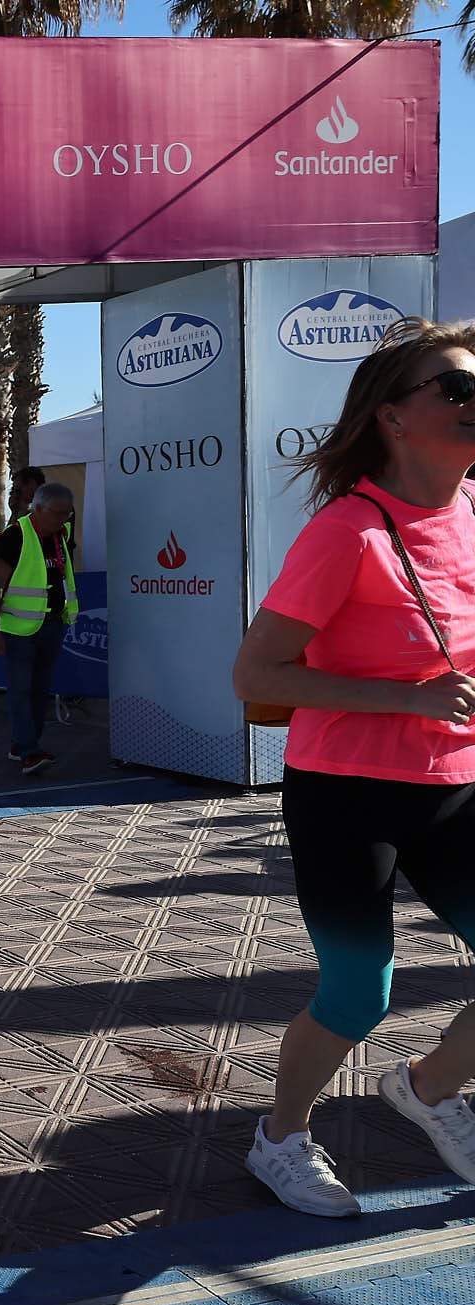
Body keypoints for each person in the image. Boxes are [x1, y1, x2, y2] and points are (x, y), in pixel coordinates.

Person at [233, 317, 475, 1219]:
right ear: (394, 417)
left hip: (457, 781)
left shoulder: (474, 512)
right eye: (456, 387)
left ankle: (431, 1087)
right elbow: (256, 675)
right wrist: (408, 698)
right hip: (347, 790)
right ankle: (280, 1138)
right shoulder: (349, 531)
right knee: (359, 986)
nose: (472, 400)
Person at [0, 483, 77, 776]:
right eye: (57, 513)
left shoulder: (61, 535)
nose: (63, 519)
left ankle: (22, 745)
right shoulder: (16, 535)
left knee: (40, 690)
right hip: (18, 630)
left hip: (52, 624)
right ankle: (29, 751)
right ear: (38, 509)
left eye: (68, 513)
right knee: (21, 690)